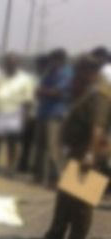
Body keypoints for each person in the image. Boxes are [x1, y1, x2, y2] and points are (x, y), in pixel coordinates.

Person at [34, 56, 110, 239]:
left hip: (91, 151)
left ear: (90, 72)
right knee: (66, 196)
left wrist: (90, 155)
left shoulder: (100, 95)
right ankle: (55, 235)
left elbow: (98, 128)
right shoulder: (88, 92)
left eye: (79, 71)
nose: (76, 76)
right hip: (78, 150)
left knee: (82, 201)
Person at [0, 53, 36, 174]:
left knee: (12, 143)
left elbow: (28, 101)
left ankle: (10, 167)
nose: (10, 65)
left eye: (12, 63)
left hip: (15, 114)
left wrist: (25, 117)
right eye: (8, 63)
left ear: (17, 64)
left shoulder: (25, 79)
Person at [33, 48, 73, 185]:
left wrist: (43, 91)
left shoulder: (65, 75)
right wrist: (44, 92)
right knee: (39, 147)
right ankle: (39, 176)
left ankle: (55, 178)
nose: (51, 63)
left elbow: (56, 92)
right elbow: (38, 92)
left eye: (54, 60)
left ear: (60, 61)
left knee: (53, 148)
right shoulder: (47, 75)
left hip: (55, 115)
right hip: (43, 113)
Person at [18, 54, 49, 174]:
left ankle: (36, 166)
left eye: (43, 65)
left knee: (40, 144)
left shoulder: (48, 78)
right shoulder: (31, 78)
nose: (40, 67)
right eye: (39, 64)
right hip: (31, 113)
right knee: (26, 141)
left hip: (43, 114)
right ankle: (23, 164)